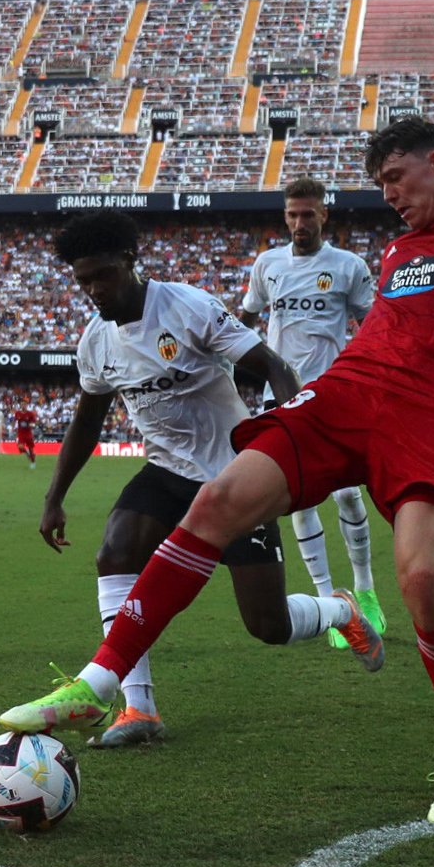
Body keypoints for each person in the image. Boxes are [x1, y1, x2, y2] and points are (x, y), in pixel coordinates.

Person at [0, 51, 434, 823]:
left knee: (420, 582)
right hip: (346, 395)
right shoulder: (396, 252)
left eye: (398, 182)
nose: (390, 199)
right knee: (215, 499)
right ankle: (101, 685)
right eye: (380, 188)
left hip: (430, 418)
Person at [34, 211, 383, 749]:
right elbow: (88, 420)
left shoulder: (188, 306)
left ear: (129, 261)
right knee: (115, 551)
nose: (94, 290)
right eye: (83, 280)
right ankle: (138, 709)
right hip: (167, 472)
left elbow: (270, 364)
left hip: (234, 475)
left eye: (102, 274)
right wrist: (54, 498)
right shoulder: (95, 342)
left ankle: (342, 609)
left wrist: (294, 439)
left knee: (267, 624)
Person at [239, 176, 385, 650]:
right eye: (292, 215)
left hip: (333, 394)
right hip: (278, 398)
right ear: (285, 217)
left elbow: (374, 325)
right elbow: (246, 319)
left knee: (346, 495)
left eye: (308, 214)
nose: (300, 223)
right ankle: (330, 603)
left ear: (325, 215)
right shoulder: (267, 265)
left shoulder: (347, 266)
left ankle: (365, 588)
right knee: (298, 500)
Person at [12, 401, 38, 469]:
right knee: (20, 446)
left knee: (31, 449)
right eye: (22, 404)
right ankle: (27, 454)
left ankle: (33, 462)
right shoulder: (18, 413)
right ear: (20, 406)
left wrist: (31, 424)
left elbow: (34, 422)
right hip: (20, 433)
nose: (23, 406)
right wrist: (13, 427)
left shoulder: (30, 413)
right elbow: (14, 420)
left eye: (24, 405)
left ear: (27, 405)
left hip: (28, 433)